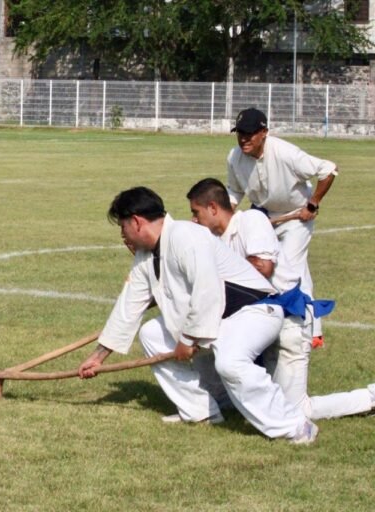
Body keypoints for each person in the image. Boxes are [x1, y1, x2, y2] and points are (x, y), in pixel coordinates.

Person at [77, 187, 318, 444]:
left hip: (253, 312)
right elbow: (129, 307)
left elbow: (208, 291)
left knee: (230, 362)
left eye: (122, 226)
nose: (123, 234)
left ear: (136, 221)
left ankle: (295, 426)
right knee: (151, 334)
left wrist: (188, 340)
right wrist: (98, 357)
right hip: (218, 320)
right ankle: (201, 411)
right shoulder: (146, 256)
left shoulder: (186, 235)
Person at [187, 177, 375, 420]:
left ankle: (370, 398)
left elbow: (262, 267)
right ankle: (221, 400)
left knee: (297, 410)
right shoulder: (218, 242)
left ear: (213, 208)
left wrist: (214, 278)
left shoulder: (251, 221)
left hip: (289, 323)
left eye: (196, 213)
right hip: (258, 324)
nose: (194, 220)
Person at [226, 107, 336, 348]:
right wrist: (224, 213)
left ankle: (301, 331)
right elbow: (234, 190)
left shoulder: (286, 152)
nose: (244, 138)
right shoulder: (234, 157)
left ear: (264, 132)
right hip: (263, 218)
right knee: (293, 270)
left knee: (289, 269)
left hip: (297, 217)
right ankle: (312, 329)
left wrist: (313, 203)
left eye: (250, 133)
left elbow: (328, 170)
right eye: (240, 133)